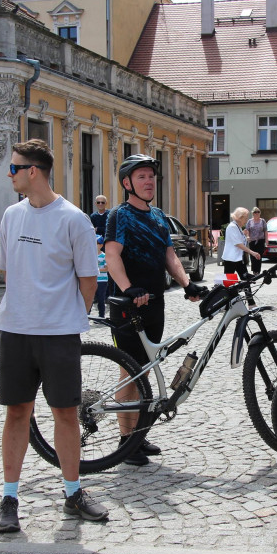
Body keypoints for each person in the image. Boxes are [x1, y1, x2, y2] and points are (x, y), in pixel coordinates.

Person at [0, 139, 110, 531]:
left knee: (64, 413)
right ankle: (9, 498)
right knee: (17, 413)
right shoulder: (11, 215)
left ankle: (73, 492)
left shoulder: (73, 218)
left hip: (59, 333)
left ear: (33, 171)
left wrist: (66, 316)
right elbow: (8, 271)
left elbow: (88, 280)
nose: (9, 174)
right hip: (14, 330)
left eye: (14, 167)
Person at [105, 154, 207, 467]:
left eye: (151, 176)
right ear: (127, 183)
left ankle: (138, 434)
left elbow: (169, 256)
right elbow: (112, 255)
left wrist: (187, 284)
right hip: (128, 305)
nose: (149, 182)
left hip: (155, 303)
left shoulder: (159, 216)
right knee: (129, 371)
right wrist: (127, 288)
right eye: (141, 177)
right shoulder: (119, 216)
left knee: (145, 371)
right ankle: (126, 442)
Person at [222, 207, 259, 278]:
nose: (246, 220)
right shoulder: (232, 227)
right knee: (229, 281)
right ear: (240, 218)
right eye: (245, 218)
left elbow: (238, 239)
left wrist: (243, 234)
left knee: (245, 278)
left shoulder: (237, 227)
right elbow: (238, 244)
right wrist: (252, 252)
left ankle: (246, 288)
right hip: (231, 258)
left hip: (238, 258)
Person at [244, 207, 268, 274]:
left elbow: (265, 231)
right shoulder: (250, 221)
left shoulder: (262, 221)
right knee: (253, 256)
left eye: (258, 212)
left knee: (259, 255)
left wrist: (266, 241)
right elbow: (247, 230)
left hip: (260, 240)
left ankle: (258, 271)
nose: (256, 213)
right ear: (253, 213)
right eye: (255, 212)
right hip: (252, 241)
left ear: (260, 213)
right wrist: (248, 236)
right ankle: (254, 271)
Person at [93, 235, 109, 318]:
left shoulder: (104, 256)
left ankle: (101, 315)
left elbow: (107, 268)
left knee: (100, 299)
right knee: (90, 297)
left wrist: (96, 269)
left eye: (97, 243)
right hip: (92, 280)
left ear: (101, 245)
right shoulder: (90, 255)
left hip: (102, 281)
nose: (94, 245)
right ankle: (87, 315)